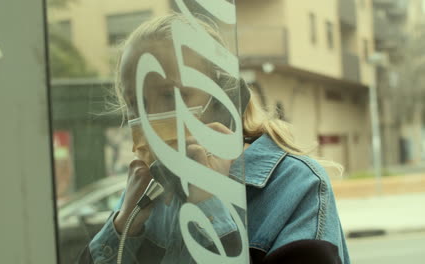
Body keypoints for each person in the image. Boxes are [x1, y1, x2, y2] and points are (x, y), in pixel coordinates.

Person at [79, 14, 350, 264]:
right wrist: (123, 224)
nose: (150, 120)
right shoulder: (146, 193)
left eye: (172, 96)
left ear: (223, 101)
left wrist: (208, 204)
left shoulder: (294, 185)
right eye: (135, 104)